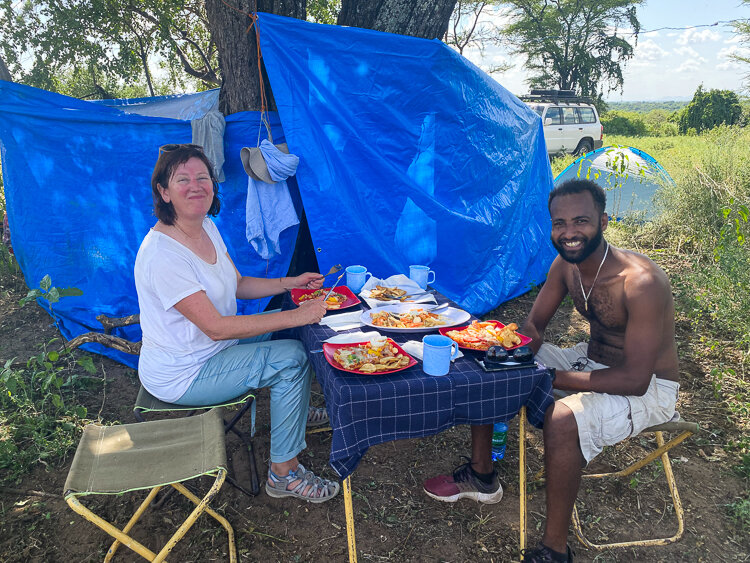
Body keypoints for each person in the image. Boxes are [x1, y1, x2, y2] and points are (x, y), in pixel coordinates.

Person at [423, 179, 680, 562]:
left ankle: (554, 551)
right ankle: (481, 476)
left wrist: (545, 376)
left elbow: (634, 379)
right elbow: (534, 328)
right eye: (559, 223)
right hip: (589, 359)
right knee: (489, 363)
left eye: (581, 221)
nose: (569, 233)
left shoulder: (641, 282)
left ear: (604, 221)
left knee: (561, 419)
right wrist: (510, 354)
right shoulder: (566, 266)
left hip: (648, 387)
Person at [134, 143, 339, 503]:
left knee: (286, 329)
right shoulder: (162, 255)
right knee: (291, 358)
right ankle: (284, 474)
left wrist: (288, 284)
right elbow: (216, 327)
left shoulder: (205, 227)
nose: (196, 185)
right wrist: (298, 313)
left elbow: (237, 283)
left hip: (212, 350)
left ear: (212, 185)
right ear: (163, 192)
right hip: (184, 373)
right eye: (183, 179)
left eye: (203, 177)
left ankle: (296, 413)